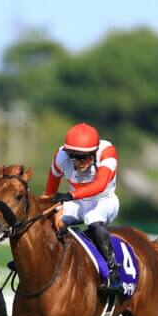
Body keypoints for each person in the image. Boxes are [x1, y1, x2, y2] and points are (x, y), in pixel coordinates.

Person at [44, 122, 122, 296]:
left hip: (104, 201)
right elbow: (49, 193)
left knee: (92, 218)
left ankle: (114, 273)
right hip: (78, 202)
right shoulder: (60, 156)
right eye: (73, 157)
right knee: (49, 221)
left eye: (83, 158)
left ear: (94, 152)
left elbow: (100, 185)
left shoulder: (107, 152)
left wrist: (70, 195)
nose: (78, 163)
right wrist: (50, 209)